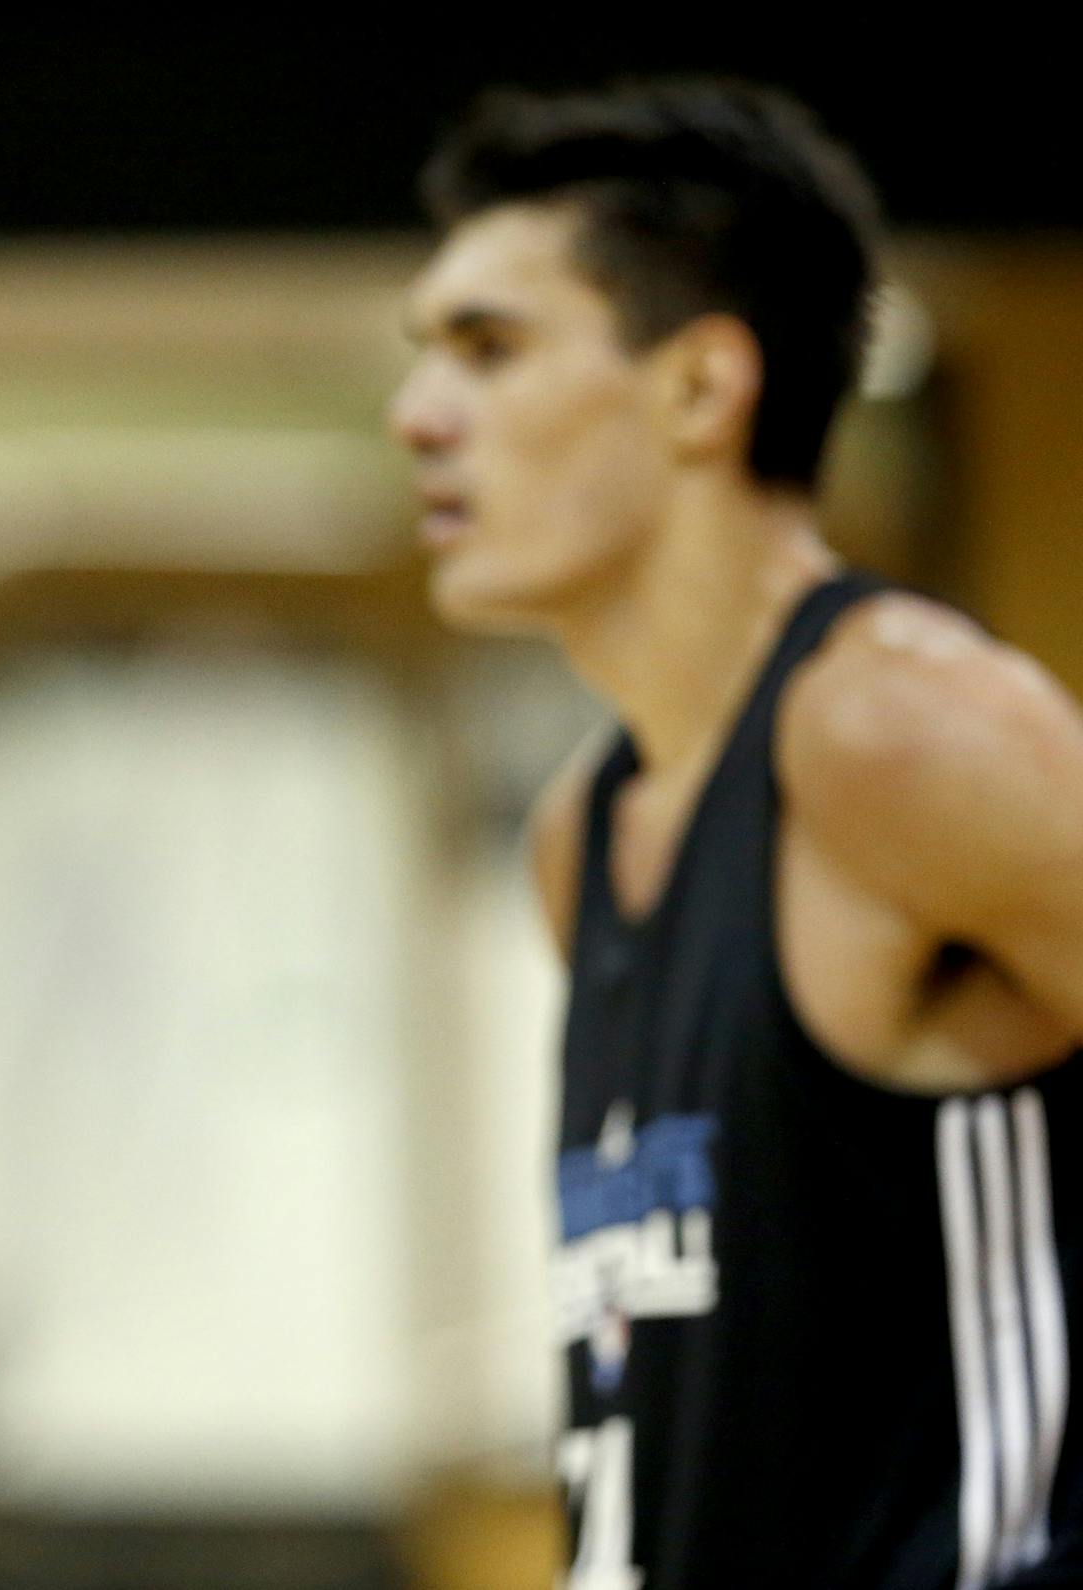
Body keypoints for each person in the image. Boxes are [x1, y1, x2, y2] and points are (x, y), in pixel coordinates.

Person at [393, 80, 1083, 1588]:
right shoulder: (582, 833)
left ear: (701, 388)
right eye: (424, 355)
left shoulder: (903, 731)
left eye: (490, 349)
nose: (418, 415)